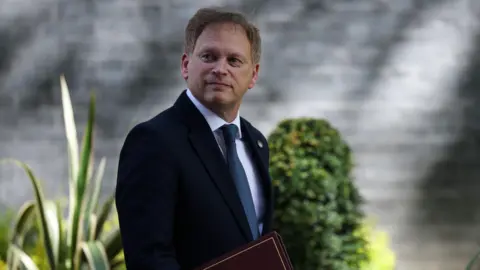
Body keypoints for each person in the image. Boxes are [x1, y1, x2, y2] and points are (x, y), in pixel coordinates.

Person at [115, 7, 274, 270]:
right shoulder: (153, 142)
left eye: (234, 60)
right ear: (186, 65)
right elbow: (149, 258)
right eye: (209, 56)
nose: (220, 69)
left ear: (253, 75)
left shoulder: (256, 143)